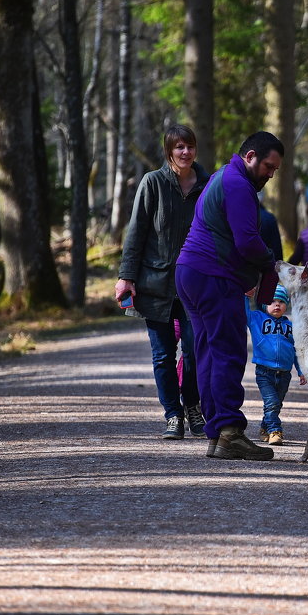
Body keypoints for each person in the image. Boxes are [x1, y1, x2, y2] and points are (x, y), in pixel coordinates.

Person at [176, 131, 286, 461]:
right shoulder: (237, 184)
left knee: (209, 351)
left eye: (276, 170)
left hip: (190, 272)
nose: (270, 174)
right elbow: (247, 241)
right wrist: (271, 263)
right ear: (250, 156)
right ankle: (229, 433)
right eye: (268, 166)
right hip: (211, 276)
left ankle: (218, 432)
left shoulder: (220, 177)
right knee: (227, 352)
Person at [115, 124, 209, 440]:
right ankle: (173, 415)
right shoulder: (152, 183)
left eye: (190, 146)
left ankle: (193, 406)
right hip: (156, 285)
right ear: (169, 150)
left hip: (195, 285)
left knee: (196, 351)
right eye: (179, 147)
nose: (185, 152)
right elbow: (136, 231)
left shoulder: (208, 185)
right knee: (163, 355)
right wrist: (126, 276)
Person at [246, 286, 305, 446]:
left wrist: (301, 371)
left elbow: (297, 350)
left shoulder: (291, 327)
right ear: (265, 304)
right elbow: (243, 313)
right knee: (271, 402)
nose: (277, 305)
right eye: (272, 301)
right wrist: (247, 297)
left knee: (276, 404)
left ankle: (265, 428)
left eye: (281, 302)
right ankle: (275, 431)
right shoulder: (257, 319)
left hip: (285, 373)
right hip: (264, 372)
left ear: (286, 305)